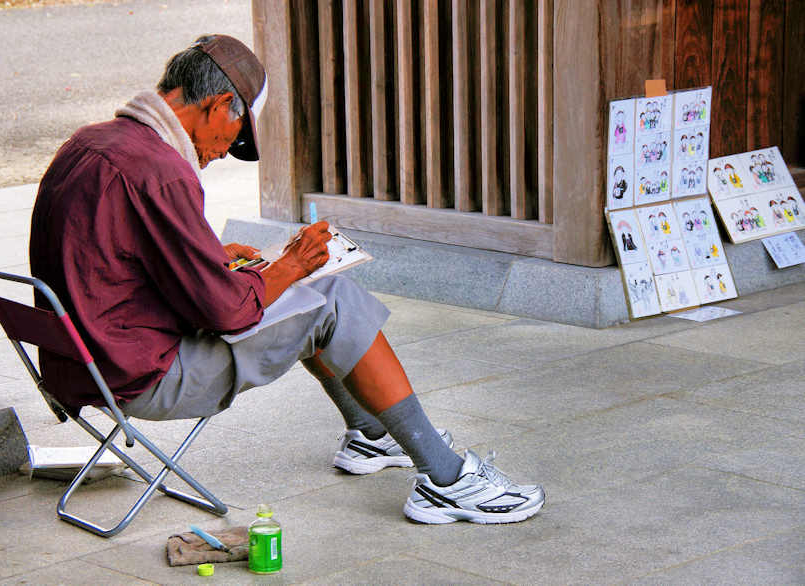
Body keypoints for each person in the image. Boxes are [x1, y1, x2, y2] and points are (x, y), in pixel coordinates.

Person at [28, 34, 544, 525]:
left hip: (80, 366)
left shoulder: (91, 143)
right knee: (328, 296)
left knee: (296, 296)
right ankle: (447, 480)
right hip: (144, 376)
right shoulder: (161, 169)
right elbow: (227, 313)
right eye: (232, 134)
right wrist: (295, 262)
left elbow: (113, 259)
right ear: (217, 104)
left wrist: (212, 257)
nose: (225, 150)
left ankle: (369, 434)